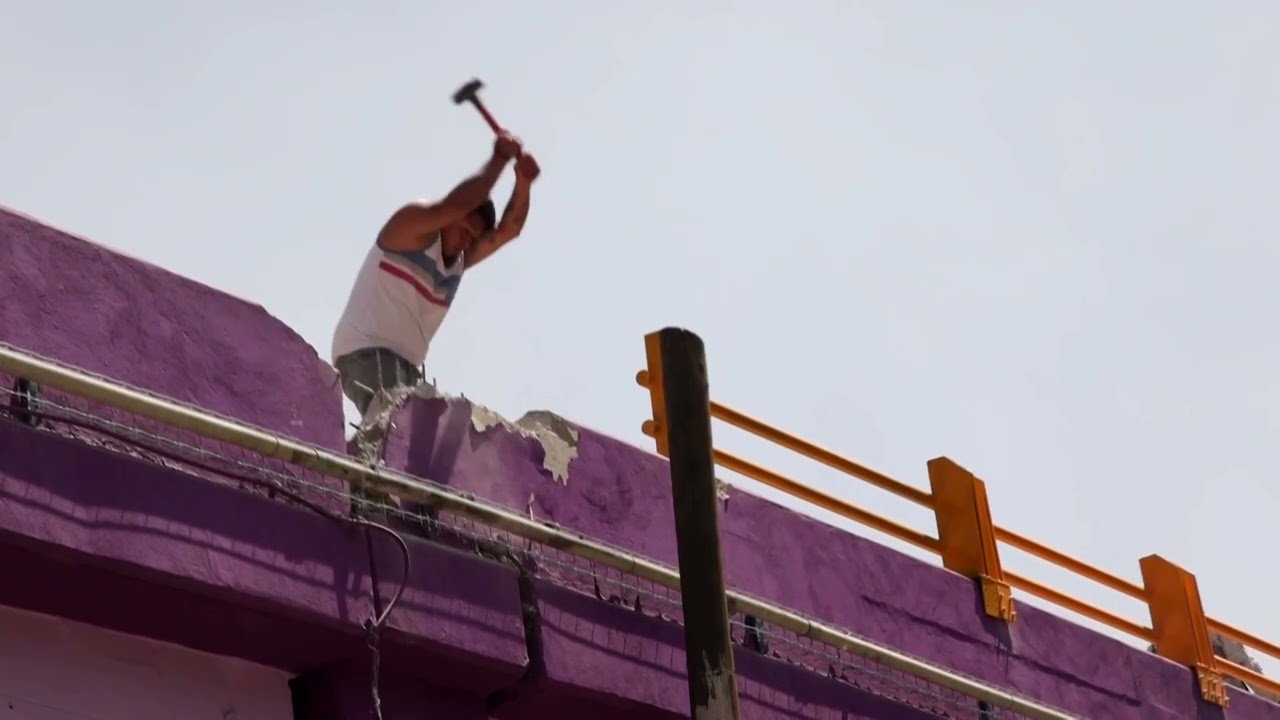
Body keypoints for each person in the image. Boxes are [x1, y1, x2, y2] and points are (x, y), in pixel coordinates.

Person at [331, 132, 540, 418]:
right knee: (401, 421)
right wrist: (499, 158)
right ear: (449, 218)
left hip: (406, 367)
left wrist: (523, 182)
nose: (466, 240)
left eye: (473, 236)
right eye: (464, 229)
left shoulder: (458, 260)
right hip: (365, 350)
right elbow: (453, 206)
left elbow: (509, 230)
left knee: (424, 426)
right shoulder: (410, 229)